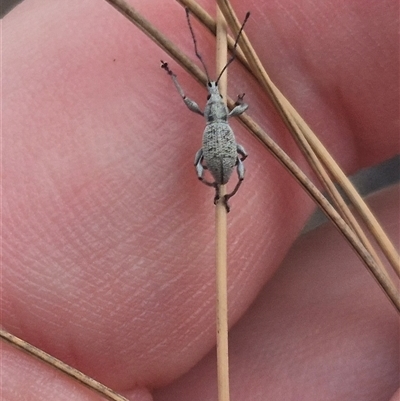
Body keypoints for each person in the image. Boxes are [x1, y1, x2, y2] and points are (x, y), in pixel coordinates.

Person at [2, 1, 398, 400]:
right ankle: (220, 196)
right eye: (212, 97)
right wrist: (181, 78)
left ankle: (220, 196)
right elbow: (212, 106)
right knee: (218, 170)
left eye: (215, 96)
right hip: (221, 149)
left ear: (218, 106)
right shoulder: (221, 117)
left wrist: (193, 87)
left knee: (217, 170)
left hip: (218, 151)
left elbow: (213, 109)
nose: (211, 97)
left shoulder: (219, 120)